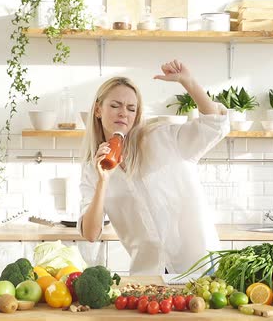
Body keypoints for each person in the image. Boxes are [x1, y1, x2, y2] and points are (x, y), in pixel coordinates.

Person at [79, 59, 230, 275]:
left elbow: (215, 124)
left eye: (131, 108)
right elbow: (91, 233)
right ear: (97, 110)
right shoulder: (92, 169)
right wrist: (103, 180)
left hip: (200, 266)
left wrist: (188, 82)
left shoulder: (163, 139)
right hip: (149, 276)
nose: (124, 113)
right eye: (115, 105)